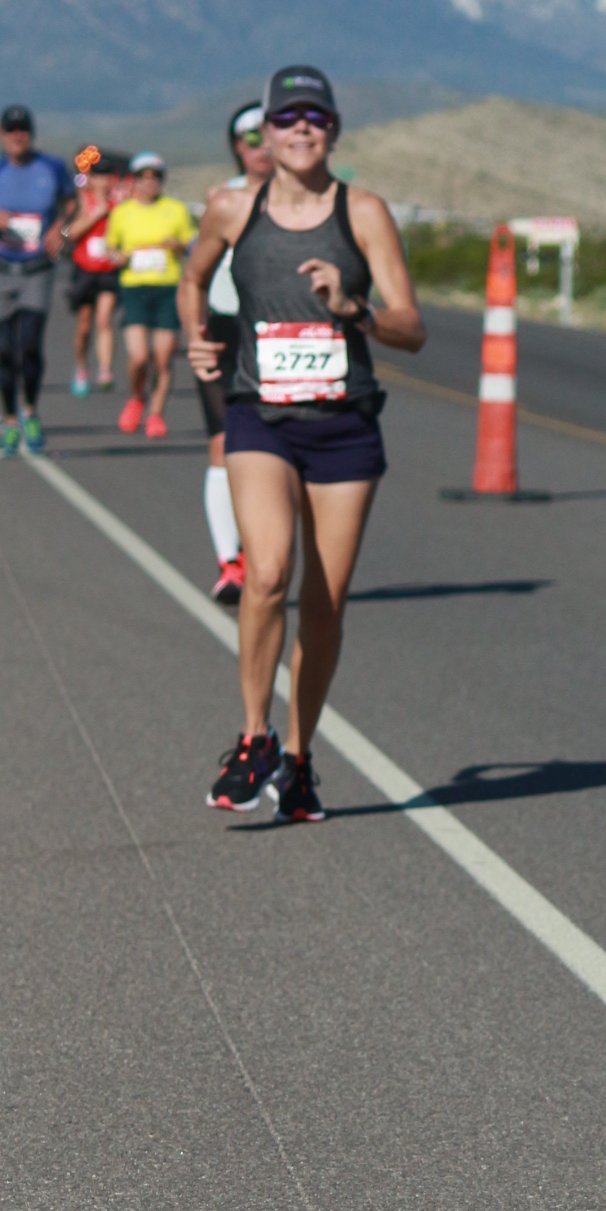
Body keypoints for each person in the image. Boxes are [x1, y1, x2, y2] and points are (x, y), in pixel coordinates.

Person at [181, 64, 424, 820]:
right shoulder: (231, 208)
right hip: (259, 414)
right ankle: (253, 737)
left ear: (334, 129)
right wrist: (197, 337)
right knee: (266, 574)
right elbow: (192, 279)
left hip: (343, 426)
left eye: (314, 117)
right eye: (286, 118)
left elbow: (411, 327)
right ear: (265, 132)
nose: (300, 130)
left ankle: (298, 758)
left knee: (325, 603)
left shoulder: (364, 212)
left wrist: (354, 309)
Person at [0, 107, 78, 459]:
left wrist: (60, 231)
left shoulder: (52, 167)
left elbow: (73, 206)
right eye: (11, 130)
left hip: (36, 268)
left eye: (23, 129)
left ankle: (31, 411)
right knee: (4, 349)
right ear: (1, 135)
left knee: (29, 344)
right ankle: (10, 420)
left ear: (32, 133)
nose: (17, 136)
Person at [198, 100, 272, 602]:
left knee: (272, 449)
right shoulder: (222, 201)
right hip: (225, 330)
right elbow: (193, 275)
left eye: (269, 136)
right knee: (224, 444)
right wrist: (194, 333)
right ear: (236, 147)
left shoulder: (311, 202)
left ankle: (265, 552)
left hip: (280, 334)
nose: (262, 149)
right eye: (251, 139)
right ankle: (231, 562)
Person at [106, 153, 195, 437]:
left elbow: (191, 245)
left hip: (167, 287)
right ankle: (136, 396)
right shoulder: (123, 212)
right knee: (139, 356)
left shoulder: (176, 210)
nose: (149, 183)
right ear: (134, 181)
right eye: (143, 177)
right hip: (134, 287)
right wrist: (119, 257)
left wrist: (177, 246)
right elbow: (111, 249)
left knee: (163, 356)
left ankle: (156, 413)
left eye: (155, 177)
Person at [66, 147, 129, 396]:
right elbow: (71, 233)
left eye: (107, 176)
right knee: (84, 325)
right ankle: (81, 366)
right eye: (98, 176)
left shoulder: (120, 203)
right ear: (91, 179)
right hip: (85, 269)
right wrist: (96, 214)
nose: (103, 181)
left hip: (108, 270)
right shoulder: (83, 201)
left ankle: (105, 370)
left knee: (104, 319)